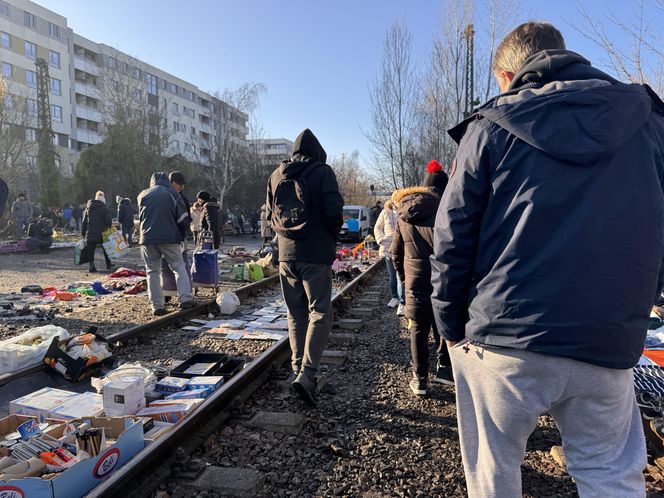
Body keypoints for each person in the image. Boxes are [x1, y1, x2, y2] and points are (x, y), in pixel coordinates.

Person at [431, 22, 664, 498]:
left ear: (506, 73)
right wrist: (640, 306)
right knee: (610, 474)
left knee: (493, 472)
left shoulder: (492, 125)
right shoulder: (646, 123)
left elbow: (452, 238)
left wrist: (451, 327)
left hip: (505, 336)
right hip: (607, 338)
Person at [266, 128, 344, 405]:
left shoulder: (276, 175)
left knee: (295, 313)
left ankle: (297, 369)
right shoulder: (322, 172)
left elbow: (268, 215)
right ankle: (308, 374)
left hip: (286, 255)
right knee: (320, 312)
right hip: (316, 253)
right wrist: (329, 237)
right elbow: (334, 212)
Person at [391, 160, 452, 396]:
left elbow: (396, 252)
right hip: (443, 280)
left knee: (417, 328)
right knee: (443, 324)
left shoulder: (403, 214)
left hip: (415, 282)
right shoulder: (449, 208)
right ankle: (445, 368)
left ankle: (420, 380)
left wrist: (404, 277)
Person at [137, 172, 195, 316]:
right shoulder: (173, 194)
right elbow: (183, 219)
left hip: (147, 239)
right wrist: (183, 235)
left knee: (152, 272)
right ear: (167, 182)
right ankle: (185, 299)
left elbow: (142, 217)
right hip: (169, 238)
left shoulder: (142, 195)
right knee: (179, 267)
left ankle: (157, 306)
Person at [374, 199, 404, 310]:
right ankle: (394, 297)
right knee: (392, 276)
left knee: (400, 276)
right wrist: (381, 239)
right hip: (387, 248)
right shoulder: (385, 212)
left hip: (401, 248)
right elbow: (377, 227)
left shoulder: (403, 211)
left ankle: (402, 301)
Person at [81, 191, 113, 273]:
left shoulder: (88, 208)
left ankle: (92, 266)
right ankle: (108, 264)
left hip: (90, 232)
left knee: (90, 249)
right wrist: (108, 229)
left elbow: (84, 221)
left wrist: (83, 233)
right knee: (106, 247)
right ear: (103, 199)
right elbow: (108, 221)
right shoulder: (105, 208)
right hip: (102, 232)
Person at [169, 171, 192, 240]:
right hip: (172, 237)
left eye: (183, 184)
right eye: (179, 184)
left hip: (178, 236)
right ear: (172, 183)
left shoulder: (183, 198)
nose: (182, 187)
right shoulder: (167, 196)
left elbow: (187, 218)